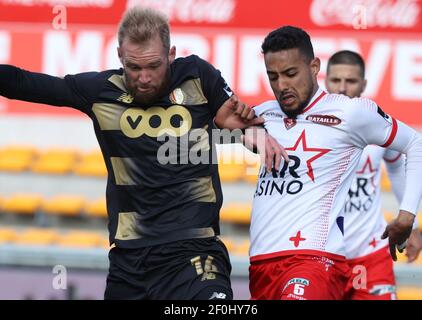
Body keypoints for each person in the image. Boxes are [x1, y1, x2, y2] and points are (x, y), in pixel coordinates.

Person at [0, 7, 284, 300]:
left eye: (153, 66)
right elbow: (23, 83)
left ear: (171, 54)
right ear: (120, 55)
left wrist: (252, 133)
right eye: (134, 68)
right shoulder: (99, 91)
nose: (144, 78)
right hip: (129, 261)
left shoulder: (198, 76)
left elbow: (234, 121)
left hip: (194, 251)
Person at [248, 26, 422, 300]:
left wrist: (409, 216)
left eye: (291, 74)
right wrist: (244, 130)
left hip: (346, 255)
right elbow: (207, 133)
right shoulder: (261, 114)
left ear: (314, 67)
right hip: (266, 263)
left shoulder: (355, 115)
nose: (282, 85)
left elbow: (412, 147)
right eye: (273, 77)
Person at [325, 50, 422, 300]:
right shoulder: (309, 128)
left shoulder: (379, 127)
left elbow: (398, 166)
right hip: (323, 257)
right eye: (336, 80)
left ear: (364, 85)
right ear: (324, 80)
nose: (342, 88)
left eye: (351, 81)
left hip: (371, 255)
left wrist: (412, 224)